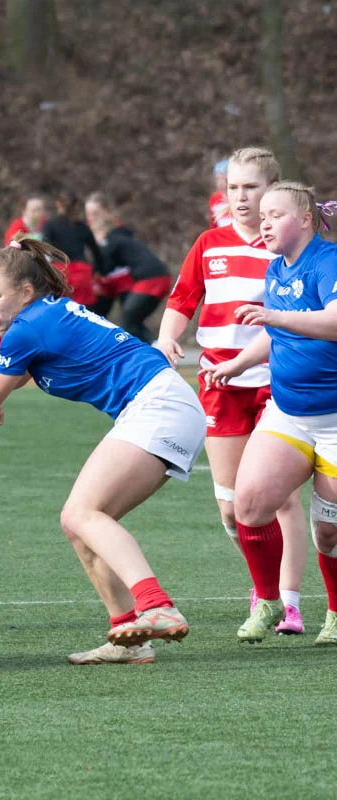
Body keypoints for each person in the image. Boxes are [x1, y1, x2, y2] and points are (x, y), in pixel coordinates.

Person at [0, 237, 203, 665]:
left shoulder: (28, 328)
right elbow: (3, 383)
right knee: (79, 525)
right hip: (166, 406)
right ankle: (129, 637)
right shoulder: (42, 317)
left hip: (158, 407)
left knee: (81, 514)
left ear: (26, 291)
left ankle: (157, 604)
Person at [155, 147, 307, 635]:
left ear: (272, 190)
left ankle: (287, 601)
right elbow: (183, 298)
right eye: (233, 188)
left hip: (275, 382)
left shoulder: (284, 245)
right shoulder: (209, 243)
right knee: (230, 505)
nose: (240, 197)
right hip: (220, 383)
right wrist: (167, 337)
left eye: (251, 187)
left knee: (279, 498)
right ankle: (264, 587)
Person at [202, 183, 337, 645]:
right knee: (250, 503)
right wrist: (238, 364)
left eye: (275, 215)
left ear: (305, 219)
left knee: (329, 533)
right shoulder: (278, 268)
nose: (264, 223)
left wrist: (274, 317)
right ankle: (268, 600)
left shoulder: (328, 261)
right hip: (289, 410)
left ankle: (335, 612)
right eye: (262, 216)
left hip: (334, 420)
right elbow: (277, 331)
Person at [84, 192, 171, 341]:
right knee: (132, 321)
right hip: (154, 277)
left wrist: (93, 272)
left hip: (150, 279)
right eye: (88, 214)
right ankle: (152, 348)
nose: (91, 219)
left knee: (128, 321)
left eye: (95, 213)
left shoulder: (112, 238)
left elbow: (104, 263)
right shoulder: (118, 236)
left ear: (107, 212)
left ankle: (157, 348)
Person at [41, 190, 101, 308]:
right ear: (76, 205)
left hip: (60, 272)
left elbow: (45, 250)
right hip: (82, 272)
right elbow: (96, 252)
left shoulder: (50, 225)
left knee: (60, 310)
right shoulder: (82, 226)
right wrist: (96, 270)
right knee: (84, 312)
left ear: (58, 204)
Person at [209, 159, 233, 228]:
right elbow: (213, 223)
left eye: (223, 178)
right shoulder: (214, 199)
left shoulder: (238, 197)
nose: (220, 183)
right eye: (218, 179)